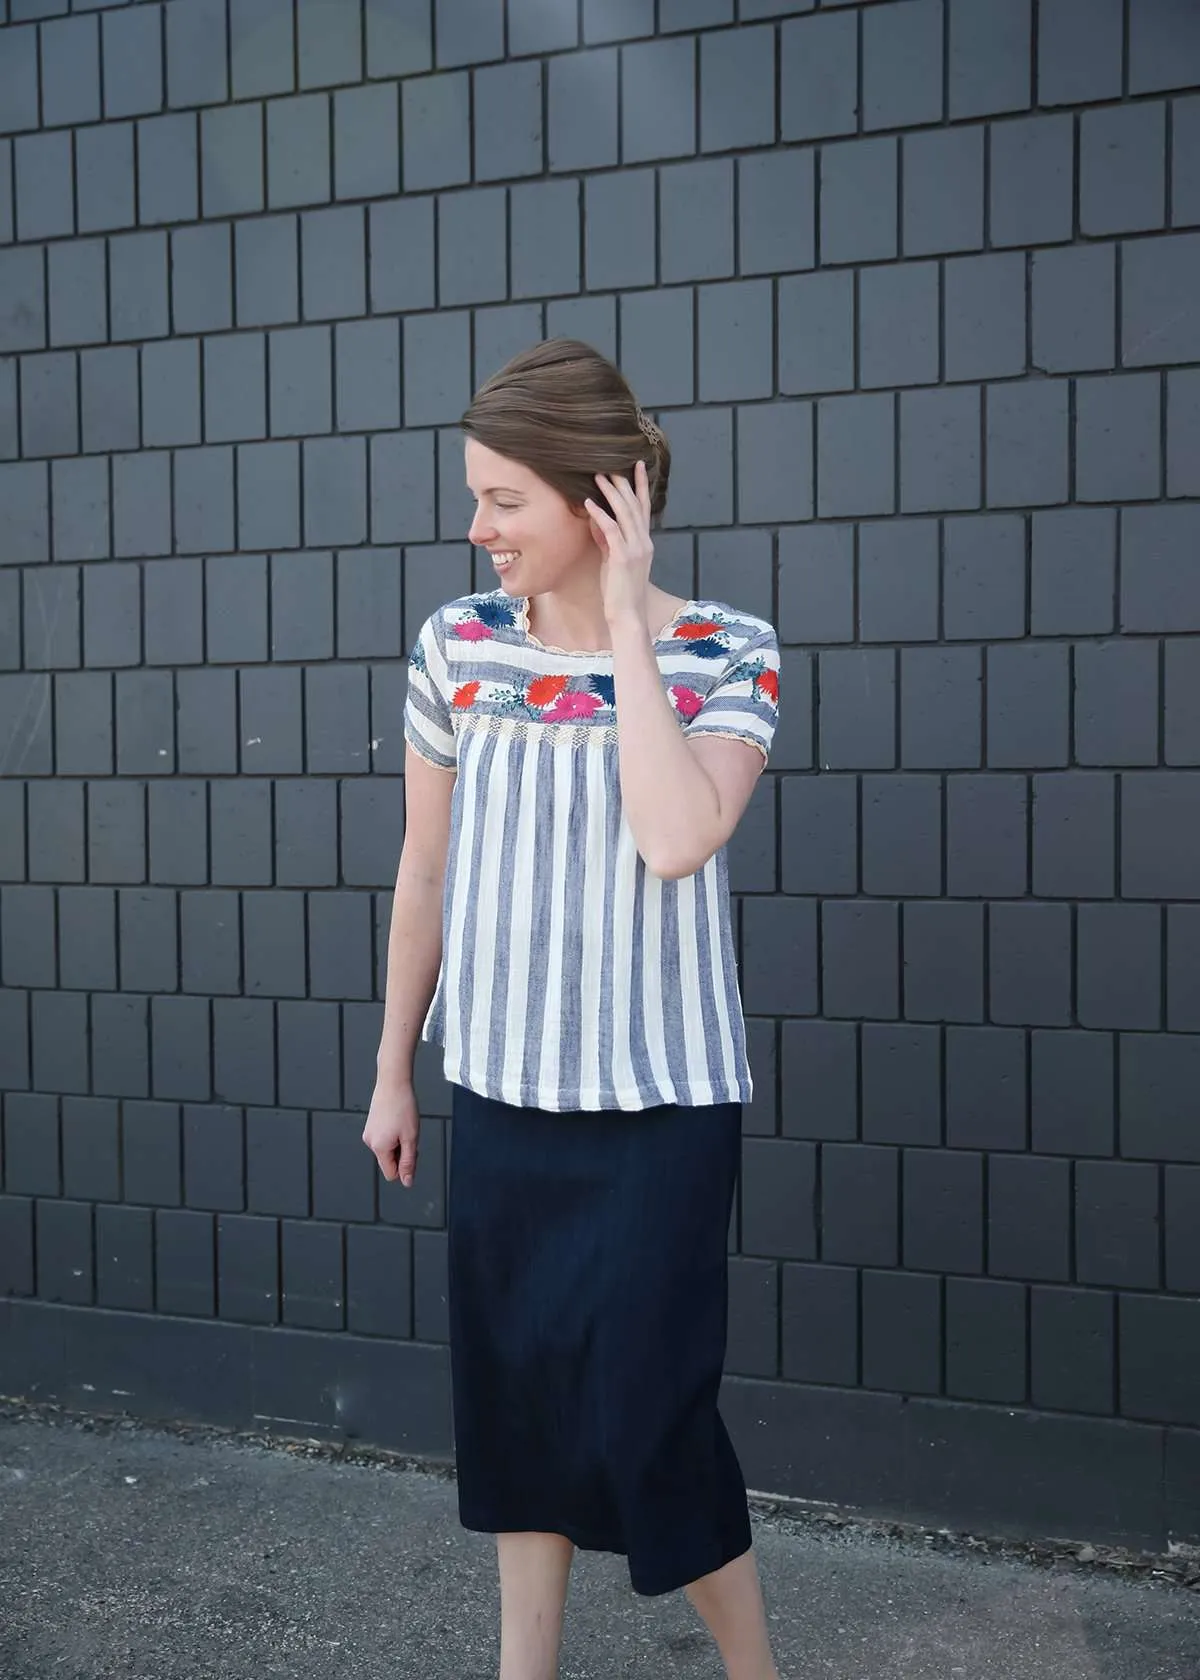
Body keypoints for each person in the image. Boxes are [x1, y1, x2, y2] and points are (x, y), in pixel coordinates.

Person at [362, 338, 783, 1680]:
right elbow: (424, 868)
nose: (475, 528)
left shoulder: (731, 652)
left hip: (661, 1109)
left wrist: (625, 624)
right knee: (519, 1411)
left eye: (503, 500)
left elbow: (674, 836)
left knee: (651, 1415)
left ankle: (756, 1673)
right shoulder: (455, 649)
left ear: (598, 499)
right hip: (501, 1096)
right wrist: (393, 1071)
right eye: (477, 497)